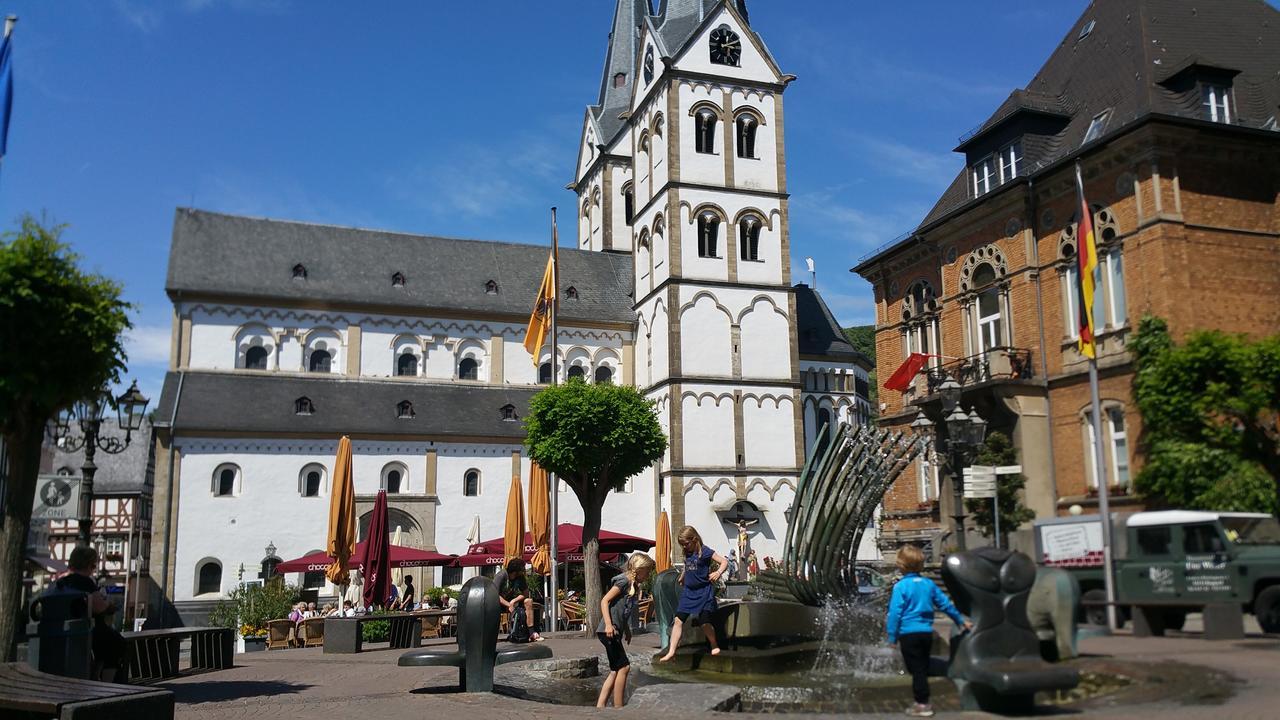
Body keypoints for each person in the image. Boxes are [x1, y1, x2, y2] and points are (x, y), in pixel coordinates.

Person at [885, 544, 972, 718]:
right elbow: (945, 604)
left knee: (916, 669)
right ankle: (930, 688)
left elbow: (894, 613)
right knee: (920, 666)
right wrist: (960, 620)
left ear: (901, 565)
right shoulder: (928, 584)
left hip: (908, 634)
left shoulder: (901, 587)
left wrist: (892, 637)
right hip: (926, 633)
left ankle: (922, 704)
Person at [55, 546, 126, 682]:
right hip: (86, 629)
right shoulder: (85, 582)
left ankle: (95, 676)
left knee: (103, 645)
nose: (93, 568)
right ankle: (107, 683)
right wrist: (107, 603)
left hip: (64, 629)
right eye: (93, 565)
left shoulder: (62, 581)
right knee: (117, 643)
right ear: (87, 564)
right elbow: (99, 607)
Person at [657, 526, 727, 662]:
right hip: (689, 592)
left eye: (686, 544)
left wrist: (718, 572)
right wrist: (683, 576)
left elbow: (724, 561)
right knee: (678, 620)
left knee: (704, 622)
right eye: (682, 545)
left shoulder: (705, 552)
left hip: (703, 592)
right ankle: (671, 651)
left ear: (694, 539)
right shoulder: (687, 552)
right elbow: (687, 565)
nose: (684, 547)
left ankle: (714, 644)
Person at [596, 553, 655, 708]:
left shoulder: (633, 586)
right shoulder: (624, 581)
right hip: (608, 630)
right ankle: (618, 707)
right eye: (647, 572)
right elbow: (605, 601)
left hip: (614, 630)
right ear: (639, 569)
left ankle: (600, 706)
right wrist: (609, 624)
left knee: (615, 670)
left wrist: (627, 629)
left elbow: (623, 610)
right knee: (624, 667)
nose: (648, 575)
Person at [498, 558, 543, 643]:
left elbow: (526, 593)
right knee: (492, 607)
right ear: (516, 570)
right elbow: (495, 594)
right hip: (499, 603)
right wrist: (508, 604)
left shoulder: (520, 577)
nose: (524, 571)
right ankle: (492, 635)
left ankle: (531, 632)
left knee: (528, 601)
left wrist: (513, 601)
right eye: (522, 569)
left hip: (512, 602)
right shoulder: (502, 575)